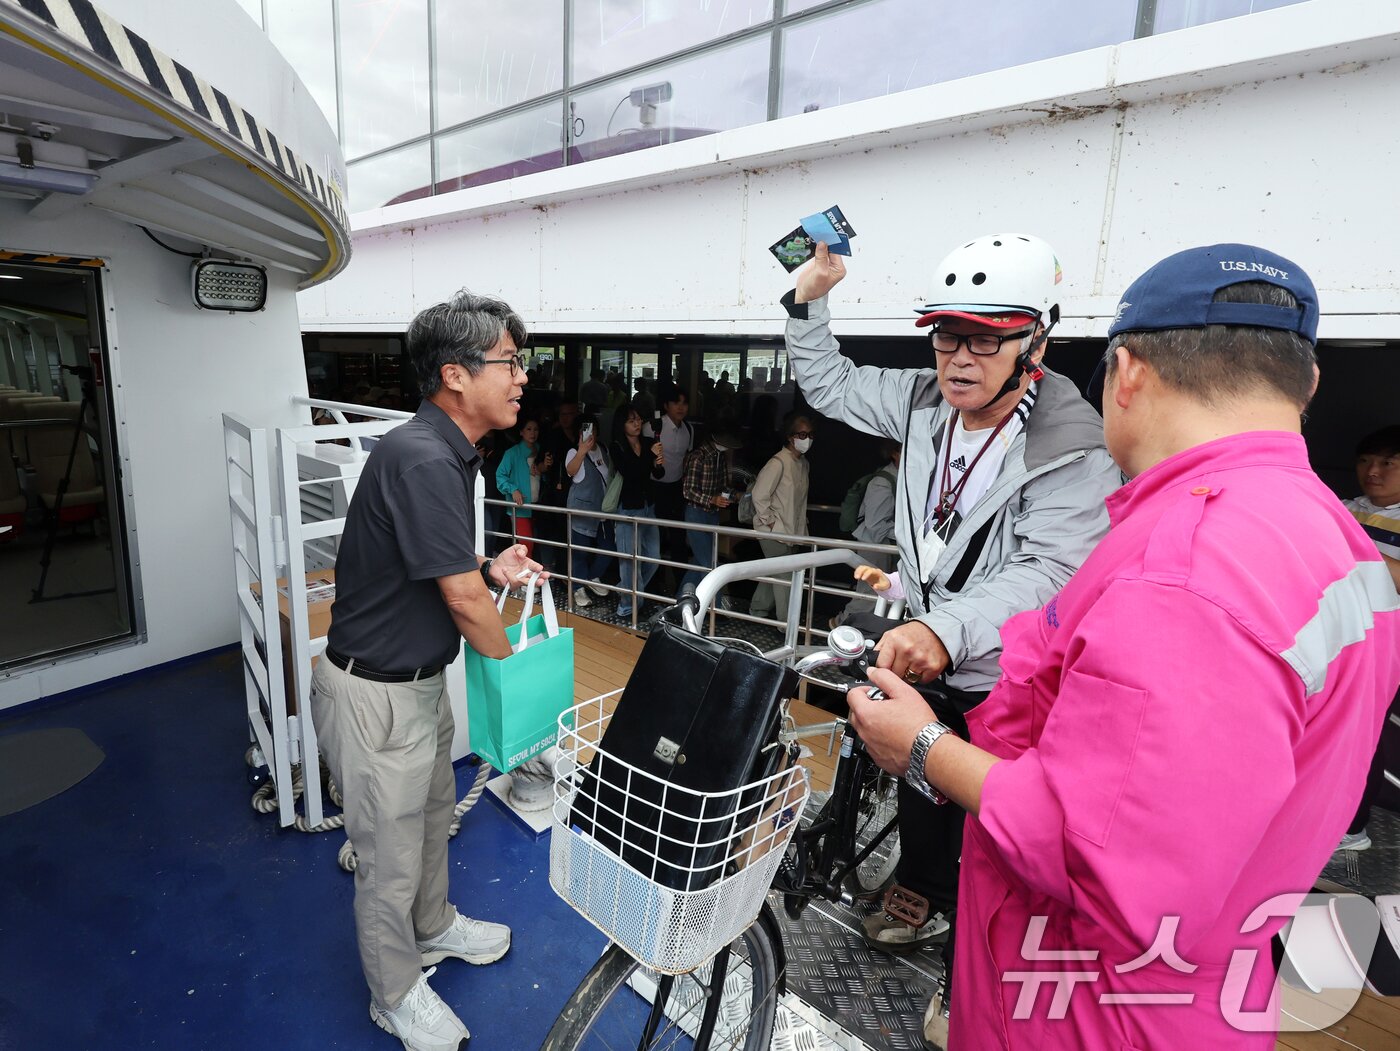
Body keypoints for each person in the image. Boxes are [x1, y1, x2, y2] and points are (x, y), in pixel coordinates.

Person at [847, 245, 1400, 1049]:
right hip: (1207, 980)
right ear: (1306, 382)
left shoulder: (1184, 570)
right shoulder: (1337, 539)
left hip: (1084, 1004)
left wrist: (924, 746)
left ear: (1128, 373)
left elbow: (1094, 855)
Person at [782, 234, 1120, 956]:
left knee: (997, 812)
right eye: (946, 336)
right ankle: (926, 889)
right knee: (918, 774)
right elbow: (831, 382)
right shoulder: (920, 400)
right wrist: (809, 302)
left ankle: (979, 939)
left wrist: (946, 628)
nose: (960, 359)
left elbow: (1050, 570)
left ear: (1036, 342)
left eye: (986, 339)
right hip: (926, 639)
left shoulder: (1074, 447)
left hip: (1009, 672)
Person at [310, 289, 546, 1051]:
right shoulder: (421, 457)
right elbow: (463, 600)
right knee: (386, 859)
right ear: (455, 374)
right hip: (377, 697)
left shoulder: (440, 451)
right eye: (509, 361)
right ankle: (394, 993)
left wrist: (486, 563)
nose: (521, 377)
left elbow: (438, 559)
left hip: (414, 688)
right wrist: (517, 675)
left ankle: (434, 924)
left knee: (433, 817)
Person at [1337, 424, 1400, 851]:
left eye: (1388, 462)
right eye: (1365, 460)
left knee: (1363, 735)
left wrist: (1351, 549)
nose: (1372, 471)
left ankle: (1351, 829)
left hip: (1383, 645)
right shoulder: (1344, 508)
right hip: (1335, 638)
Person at [747, 412, 814, 620]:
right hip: (775, 531)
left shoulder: (803, 463)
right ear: (790, 436)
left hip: (791, 530)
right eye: (802, 435)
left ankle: (757, 609)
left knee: (775, 571)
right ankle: (786, 624)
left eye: (810, 435)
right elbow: (759, 494)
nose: (807, 439)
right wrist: (771, 522)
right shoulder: (778, 462)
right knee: (785, 578)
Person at [836, 441, 901, 625]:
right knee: (867, 596)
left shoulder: (898, 478)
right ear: (894, 453)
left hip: (883, 544)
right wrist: (907, 535)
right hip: (874, 545)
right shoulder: (882, 482)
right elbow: (875, 525)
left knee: (879, 596)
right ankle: (841, 625)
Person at [609, 405, 665, 621]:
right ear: (622, 424)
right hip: (628, 508)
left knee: (654, 558)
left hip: (648, 506)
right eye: (631, 420)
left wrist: (658, 463)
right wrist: (649, 457)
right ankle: (626, 608)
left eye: (639, 419)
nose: (637, 424)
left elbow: (659, 474)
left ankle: (627, 590)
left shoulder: (648, 442)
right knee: (629, 562)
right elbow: (630, 472)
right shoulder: (617, 446)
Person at [680, 427, 740, 593]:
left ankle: (680, 599)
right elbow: (688, 491)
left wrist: (736, 496)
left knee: (700, 562)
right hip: (696, 513)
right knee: (710, 565)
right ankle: (715, 606)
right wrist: (712, 499)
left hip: (712, 515)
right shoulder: (698, 456)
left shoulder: (719, 457)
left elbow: (723, 487)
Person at [563, 415, 614, 608]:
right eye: (585, 429)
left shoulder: (604, 449)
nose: (590, 434)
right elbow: (571, 471)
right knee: (580, 553)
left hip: (604, 510)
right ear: (579, 433)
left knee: (608, 547)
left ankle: (591, 577)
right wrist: (582, 451)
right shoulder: (573, 452)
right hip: (581, 511)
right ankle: (578, 588)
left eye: (593, 429)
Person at [652, 385, 694, 579]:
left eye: (684, 403)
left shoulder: (689, 429)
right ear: (666, 405)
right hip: (655, 487)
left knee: (678, 535)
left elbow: (686, 458)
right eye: (676, 402)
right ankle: (656, 581)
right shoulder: (653, 427)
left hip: (677, 488)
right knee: (656, 536)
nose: (680, 407)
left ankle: (680, 583)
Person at [495, 416, 549, 556]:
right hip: (520, 507)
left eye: (536, 429)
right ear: (521, 432)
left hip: (539, 506)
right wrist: (513, 490)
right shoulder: (512, 453)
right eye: (529, 429)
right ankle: (525, 570)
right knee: (526, 546)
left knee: (538, 545)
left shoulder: (541, 450)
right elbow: (500, 476)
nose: (533, 433)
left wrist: (544, 470)